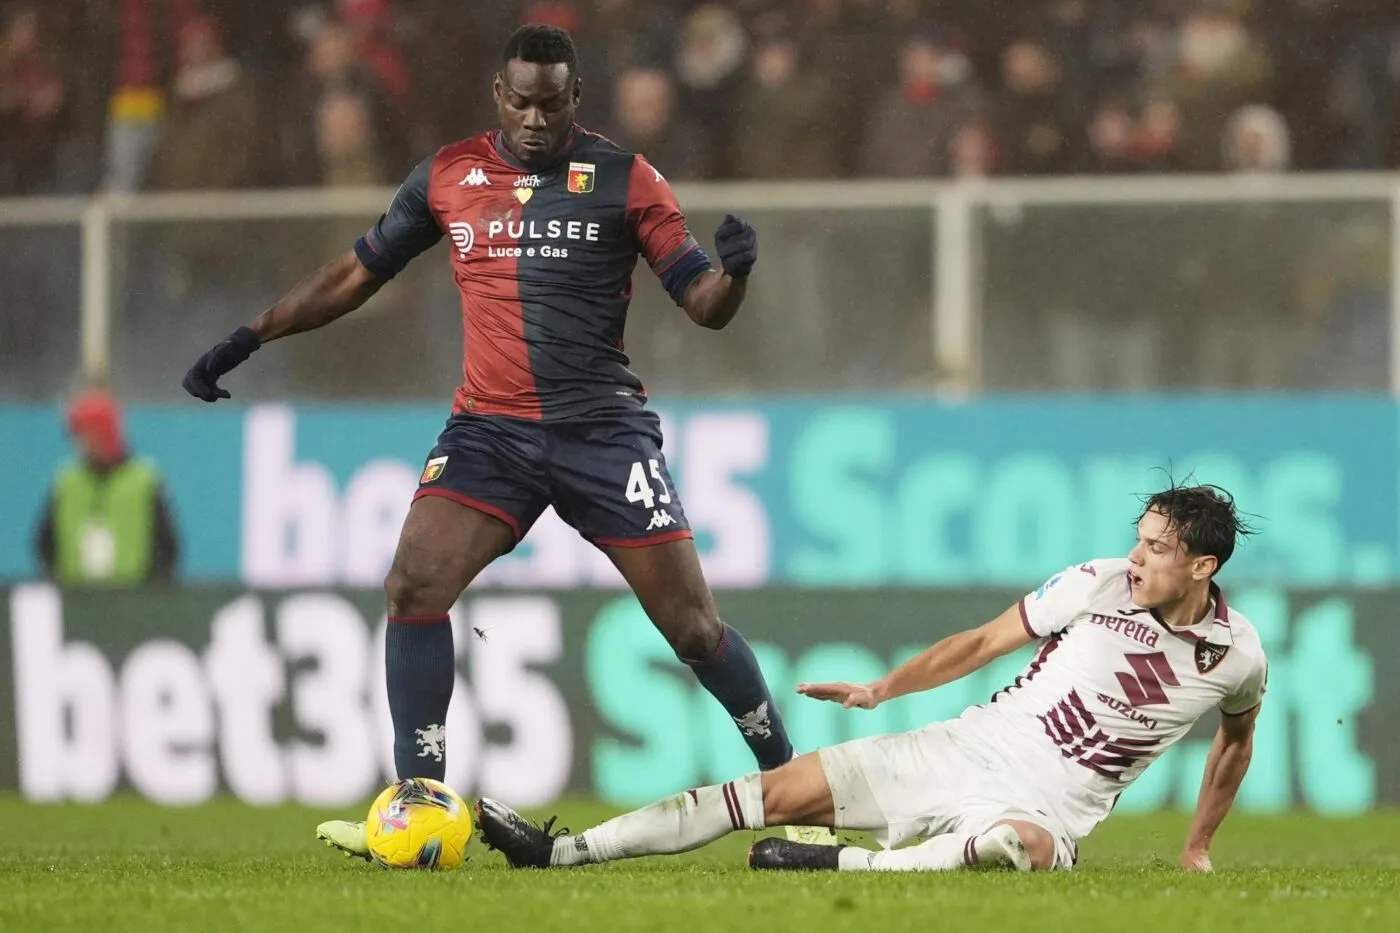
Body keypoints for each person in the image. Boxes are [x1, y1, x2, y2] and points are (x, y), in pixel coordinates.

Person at [180, 24, 831, 853]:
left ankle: (799, 791)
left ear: (575, 98)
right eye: (521, 102)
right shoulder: (449, 175)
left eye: (550, 105)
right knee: (414, 584)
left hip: (603, 435)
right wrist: (250, 336)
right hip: (489, 432)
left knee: (694, 629)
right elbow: (353, 274)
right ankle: (419, 799)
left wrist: (733, 275)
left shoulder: (626, 179)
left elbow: (701, 302)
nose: (533, 119)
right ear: (499, 94)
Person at [477, 485, 1268, 873]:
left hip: (1046, 810)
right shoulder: (1097, 583)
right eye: (1138, 539)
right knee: (768, 792)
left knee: (1015, 846)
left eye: (1155, 549)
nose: (1135, 557)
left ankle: (837, 864)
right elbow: (981, 642)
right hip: (963, 748)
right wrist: (882, 689)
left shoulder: (1235, 655)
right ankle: (560, 853)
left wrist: (1197, 844)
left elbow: (1236, 741)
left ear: (1202, 566)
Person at [35, 388, 180, 585]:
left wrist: (151, 590)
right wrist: (56, 584)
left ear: (105, 434)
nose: (80, 443)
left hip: (132, 596)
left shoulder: (145, 480)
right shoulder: (66, 481)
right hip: (76, 596)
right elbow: (45, 543)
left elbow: (166, 544)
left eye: (86, 434)